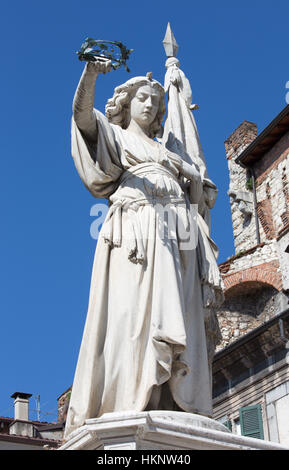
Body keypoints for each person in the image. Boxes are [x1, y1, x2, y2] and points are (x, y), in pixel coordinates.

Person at [64, 59, 222, 438]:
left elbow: (200, 189)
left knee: (182, 315)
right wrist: (91, 74)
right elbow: (82, 116)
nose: (150, 105)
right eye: (142, 98)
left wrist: (187, 172)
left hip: (181, 237)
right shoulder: (115, 137)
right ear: (126, 102)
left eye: (155, 100)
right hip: (138, 230)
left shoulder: (169, 153)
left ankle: (173, 397)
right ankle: (134, 391)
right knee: (135, 316)